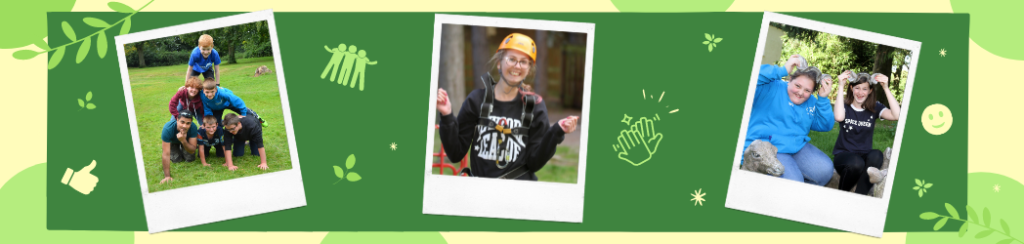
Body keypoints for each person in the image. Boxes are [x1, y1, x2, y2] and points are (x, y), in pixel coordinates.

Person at [436, 33, 579, 180]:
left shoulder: (534, 106)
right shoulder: (477, 100)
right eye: (512, 59)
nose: (517, 66)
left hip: (518, 193)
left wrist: (556, 132)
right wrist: (447, 115)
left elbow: (534, 163)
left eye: (524, 62)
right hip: (480, 192)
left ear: (528, 69)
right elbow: (455, 153)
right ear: (499, 63)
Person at [743, 54, 835, 186]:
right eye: (797, 86)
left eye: (807, 90)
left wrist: (823, 99)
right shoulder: (769, 87)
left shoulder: (810, 102)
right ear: (790, 78)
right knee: (793, 183)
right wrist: (782, 70)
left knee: (825, 171)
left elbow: (825, 125)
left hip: (797, 148)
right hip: (768, 150)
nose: (801, 93)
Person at [832, 71, 901, 195]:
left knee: (877, 155)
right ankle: (842, 195)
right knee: (857, 163)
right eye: (857, 88)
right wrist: (841, 85)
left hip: (864, 154)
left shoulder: (874, 107)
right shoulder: (844, 106)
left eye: (865, 89)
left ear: (870, 91)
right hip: (844, 156)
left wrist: (885, 87)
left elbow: (897, 115)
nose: (860, 92)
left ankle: (860, 196)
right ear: (851, 88)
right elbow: (838, 117)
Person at [199, 77, 268, 127]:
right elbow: (206, 108)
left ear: (216, 90)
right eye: (207, 92)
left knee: (247, 112)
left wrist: (243, 114)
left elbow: (237, 101)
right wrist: (209, 120)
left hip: (227, 103)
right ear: (203, 90)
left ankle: (258, 118)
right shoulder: (202, 95)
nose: (210, 94)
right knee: (216, 124)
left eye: (212, 92)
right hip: (216, 108)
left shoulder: (222, 93)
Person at [159, 111, 199, 184]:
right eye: (182, 122)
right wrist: (167, 176)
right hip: (173, 142)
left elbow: (192, 150)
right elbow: (165, 154)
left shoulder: (193, 127)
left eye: (188, 123)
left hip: (186, 141)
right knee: (176, 160)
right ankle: (177, 148)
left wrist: (183, 141)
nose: (184, 126)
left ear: (191, 123)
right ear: (177, 120)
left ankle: (182, 147)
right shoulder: (168, 128)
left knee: (190, 158)